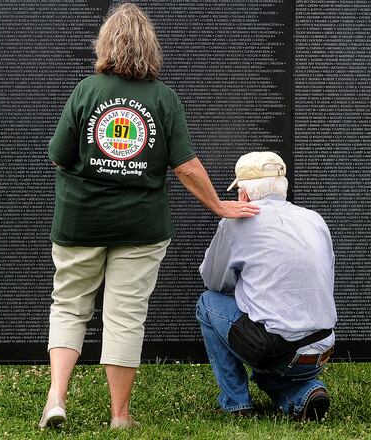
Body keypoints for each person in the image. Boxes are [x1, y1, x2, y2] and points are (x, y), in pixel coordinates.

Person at [39, 3, 260, 430]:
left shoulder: (86, 91)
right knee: (125, 315)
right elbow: (186, 167)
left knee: (69, 306)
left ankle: (56, 398)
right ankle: (119, 416)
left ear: (105, 44)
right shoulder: (163, 98)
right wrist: (218, 206)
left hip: (79, 222)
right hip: (141, 227)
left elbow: (58, 157)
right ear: (149, 47)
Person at [196, 151, 337, 421]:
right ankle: (306, 393)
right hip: (322, 347)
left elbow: (213, 281)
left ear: (244, 194)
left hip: (275, 349)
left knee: (207, 303)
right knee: (271, 356)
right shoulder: (315, 219)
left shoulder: (236, 222)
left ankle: (236, 403)